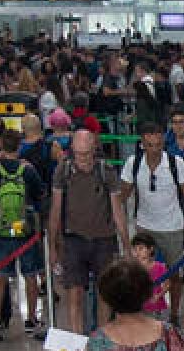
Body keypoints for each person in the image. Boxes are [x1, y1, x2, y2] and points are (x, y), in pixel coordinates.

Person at [48, 129, 129, 334]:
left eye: (87, 154)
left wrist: (126, 245)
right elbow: (56, 210)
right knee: (74, 293)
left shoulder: (106, 171)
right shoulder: (63, 171)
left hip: (103, 240)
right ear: (72, 150)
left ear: (94, 149)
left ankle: (101, 339)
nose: (82, 159)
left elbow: (117, 211)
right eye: (78, 154)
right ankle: (77, 343)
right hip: (73, 240)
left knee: (104, 292)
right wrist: (52, 247)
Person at [121, 121, 184, 323]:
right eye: (150, 145)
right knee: (141, 271)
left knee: (174, 273)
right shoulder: (133, 164)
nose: (155, 150)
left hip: (172, 226)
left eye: (159, 145)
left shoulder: (176, 163)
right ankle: (142, 309)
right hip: (144, 225)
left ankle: (173, 314)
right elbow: (121, 195)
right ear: (142, 145)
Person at [0, 129, 47, 337]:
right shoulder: (27, 170)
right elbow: (40, 193)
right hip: (24, 232)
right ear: (19, 147)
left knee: (0, 277)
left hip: (0, 231)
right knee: (29, 276)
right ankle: (31, 320)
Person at [129, 233, 172, 319]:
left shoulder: (160, 267)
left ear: (150, 249)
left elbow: (168, 284)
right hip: (140, 310)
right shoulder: (133, 269)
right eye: (135, 249)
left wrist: (158, 295)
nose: (137, 252)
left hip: (158, 308)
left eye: (141, 249)